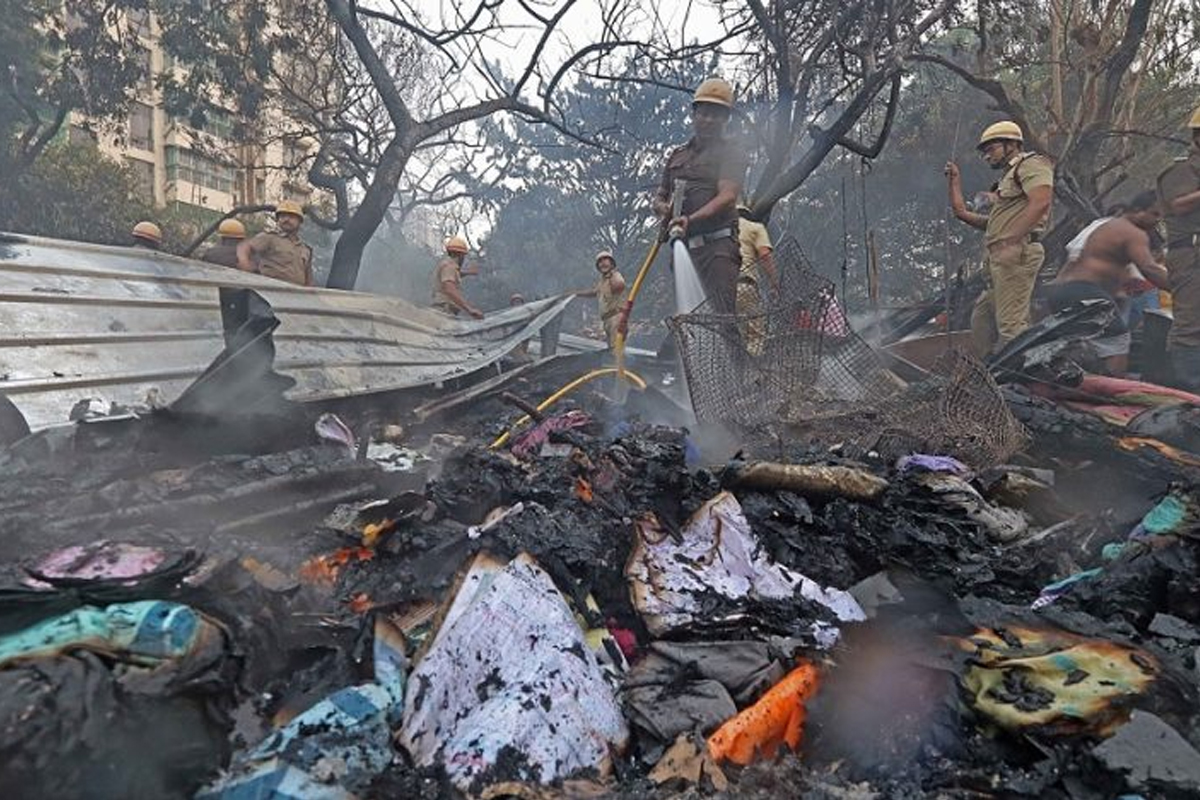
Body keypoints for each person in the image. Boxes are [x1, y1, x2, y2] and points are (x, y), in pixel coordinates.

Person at [946, 121, 1054, 358]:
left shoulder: (1031, 164)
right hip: (999, 259)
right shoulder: (1008, 181)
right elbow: (962, 213)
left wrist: (1011, 240)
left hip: (1017, 253)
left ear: (1012, 145)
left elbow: (1041, 202)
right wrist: (954, 180)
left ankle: (1022, 384)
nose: (987, 156)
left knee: (1011, 326)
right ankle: (994, 372)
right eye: (984, 152)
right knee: (981, 320)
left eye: (991, 149)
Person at [1045, 191, 1170, 374]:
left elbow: (1110, 267)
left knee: (1078, 343)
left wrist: (1120, 292)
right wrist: (1183, 288)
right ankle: (1113, 392)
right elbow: (1150, 269)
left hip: (1063, 291)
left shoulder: (1108, 226)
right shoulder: (1134, 233)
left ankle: (1074, 385)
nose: (1157, 220)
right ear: (1137, 210)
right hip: (1084, 292)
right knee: (1117, 339)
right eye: (1154, 214)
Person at [653, 77, 747, 312]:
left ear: (725, 119)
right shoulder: (677, 156)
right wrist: (662, 208)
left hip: (717, 251)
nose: (709, 120)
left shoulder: (731, 153)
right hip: (683, 249)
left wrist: (690, 220)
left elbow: (727, 196)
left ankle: (729, 351)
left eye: (716, 115)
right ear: (694, 115)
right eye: (704, 113)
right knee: (685, 322)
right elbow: (660, 195)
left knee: (721, 319)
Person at [1157, 106, 1200, 390]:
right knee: (1191, 325)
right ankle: (1190, 394)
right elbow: (1178, 203)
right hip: (1191, 256)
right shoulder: (1181, 170)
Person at [736, 202, 780, 354]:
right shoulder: (755, 228)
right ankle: (752, 372)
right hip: (744, 286)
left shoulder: (722, 230)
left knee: (732, 332)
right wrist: (775, 283)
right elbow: (765, 256)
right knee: (755, 334)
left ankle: (734, 368)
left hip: (720, 289)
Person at [236, 200, 313, 286]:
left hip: (296, 294)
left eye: (291, 216)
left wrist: (311, 293)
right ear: (277, 219)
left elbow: (308, 276)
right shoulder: (270, 238)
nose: (286, 219)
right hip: (271, 291)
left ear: (300, 221)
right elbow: (244, 246)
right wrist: (244, 262)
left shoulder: (305, 248)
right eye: (282, 216)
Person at [576, 251, 627, 348]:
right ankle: (615, 362)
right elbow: (594, 292)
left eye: (605, 260)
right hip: (608, 319)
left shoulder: (615, 275)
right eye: (600, 261)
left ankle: (617, 363)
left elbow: (620, 285)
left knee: (616, 349)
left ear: (612, 264)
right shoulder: (603, 280)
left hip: (616, 317)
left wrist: (611, 275)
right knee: (612, 348)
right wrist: (576, 294)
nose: (602, 263)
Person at [430, 236, 483, 319]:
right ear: (460, 255)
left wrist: (468, 273)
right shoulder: (449, 266)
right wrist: (469, 309)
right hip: (444, 311)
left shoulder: (447, 265)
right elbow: (449, 288)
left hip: (444, 309)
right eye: (464, 256)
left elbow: (453, 276)